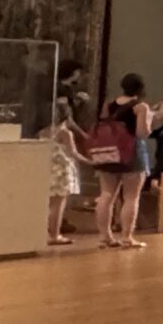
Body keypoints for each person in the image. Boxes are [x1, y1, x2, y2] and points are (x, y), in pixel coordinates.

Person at [89, 71, 156, 250]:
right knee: (131, 197)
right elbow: (142, 132)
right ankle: (127, 237)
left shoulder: (109, 105)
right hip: (132, 153)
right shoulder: (140, 107)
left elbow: (103, 123)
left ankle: (104, 237)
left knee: (106, 195)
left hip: (109, 152)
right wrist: (150, 119)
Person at [48, 57, 91, 246]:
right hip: (61, 157)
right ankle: (54, 232)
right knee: (58, 199)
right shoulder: (62, 92)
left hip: (51, 148)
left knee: (52, 198)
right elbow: (67, 116)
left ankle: (52, 228)